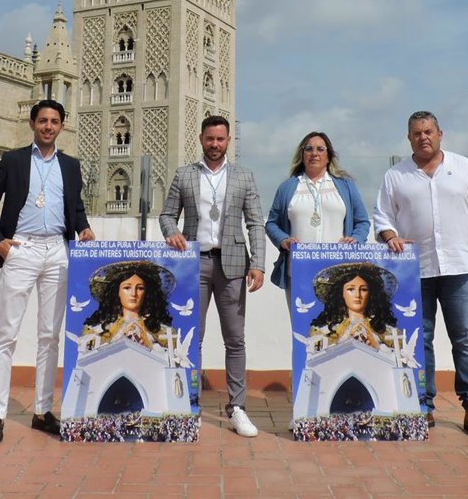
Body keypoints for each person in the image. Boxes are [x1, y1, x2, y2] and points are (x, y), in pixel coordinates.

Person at [373, 111, 468, 440]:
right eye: (417, 133)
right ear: (409, 138)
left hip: (459, 270)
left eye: (428, 131)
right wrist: (390, 236)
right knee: (420, 342)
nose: (423, 137)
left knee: (466, 341)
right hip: (415, 271)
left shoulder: (464, 168)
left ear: (440, 133)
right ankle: (423, 406)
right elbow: (382, 217)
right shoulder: (395, 176)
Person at [0, 99, 95, 444]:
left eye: (54, 121)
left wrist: (84, 227)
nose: (48, 126)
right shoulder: (13, 160)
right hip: (22, 248)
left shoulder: (71, 166)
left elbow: (75, 206)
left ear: (62, 126)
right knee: (7, 334)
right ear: (32, 124)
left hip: (57, 251)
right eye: (42, 120)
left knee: (49, 336)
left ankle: (42, 411)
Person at [159, 115, 266, 438]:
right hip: (195, 264)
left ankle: (237, 408)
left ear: (228, 141)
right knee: (192, 337)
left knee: (235, 339)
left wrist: (258, 263)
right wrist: (172, 232)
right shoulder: (185, 175)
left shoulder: (244, 176)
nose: (215, 144)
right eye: (210, 139)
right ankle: (188, 405)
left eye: (220, 139)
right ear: (201, 140)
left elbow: (255, 223)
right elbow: (167, 215)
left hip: (233, 266)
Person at [265, 131, 371, 312]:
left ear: (328, 156)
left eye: (320, 149)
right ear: (302, 154)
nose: (314, 153)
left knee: (336, 325)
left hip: (339, 272)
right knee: (303, 325)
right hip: (299, 271)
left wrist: (356, 239)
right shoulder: (287, 187)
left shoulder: (346, 186)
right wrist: (284, 240)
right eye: (309, 149)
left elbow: (362, 222)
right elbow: (271, 223)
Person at [82, 260, 177, 350]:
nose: (133, 294)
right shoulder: (98, 330)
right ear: (117, 291)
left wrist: (148, 345)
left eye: (140, 288)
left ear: (147, 293)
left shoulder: (163, 332)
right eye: (127, 288)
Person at [308, 262, 398, 349]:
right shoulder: (325, 331)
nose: (357, 295)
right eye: (351, 289)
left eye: (363, 289)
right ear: (341, 293)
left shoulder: (387, 332)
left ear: (371, 294)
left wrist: (376, 347)